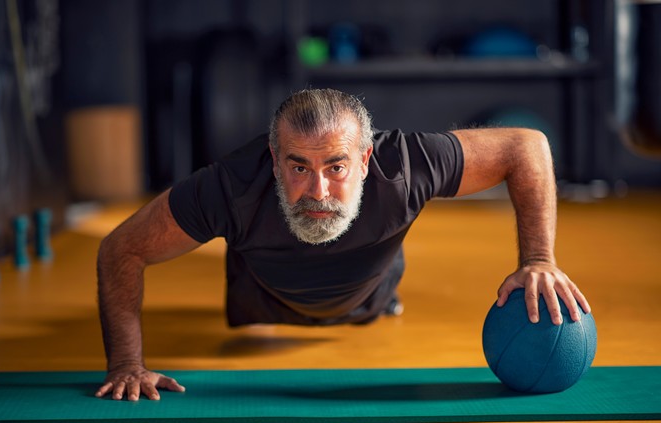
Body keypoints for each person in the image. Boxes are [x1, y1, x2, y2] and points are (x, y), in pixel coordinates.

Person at [95, 88, 591, 402]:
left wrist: (539, 261)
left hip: (370, 295)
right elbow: (121, 249)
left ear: (366, 157)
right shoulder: (229, 187)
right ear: (273, 160)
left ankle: (378, 298)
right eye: (298, 168)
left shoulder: (407, 164)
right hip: (265, 303)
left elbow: (527, 146)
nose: (318, 191)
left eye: (336, 167)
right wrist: (126, 365)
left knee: (371, 300)